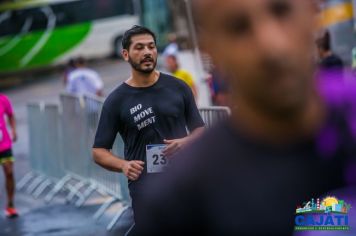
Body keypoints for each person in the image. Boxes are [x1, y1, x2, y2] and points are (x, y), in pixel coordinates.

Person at [135, 0, 356, 235]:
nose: (271, 46)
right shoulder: (178, 203)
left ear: (314, 11)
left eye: (281, 10)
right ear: (210, 49)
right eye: (238, 27)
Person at [92, 25, 204, 234]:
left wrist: (185, 142)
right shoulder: (116, 100)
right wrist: (123, 165)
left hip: (185, 181)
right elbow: (99, 151)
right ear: (126, 54)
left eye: (151, 47)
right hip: (146, 190)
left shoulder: (178, 87)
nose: (147, 52)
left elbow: (201, 131)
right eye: (139, 48)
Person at [0, 94, 18, 218]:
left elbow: (11, 115)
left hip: (4, 143)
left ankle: (10, 205)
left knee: (9, 172)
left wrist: (14, 129)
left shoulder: (3, 99)